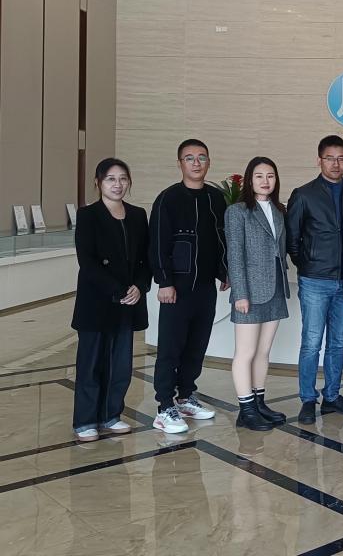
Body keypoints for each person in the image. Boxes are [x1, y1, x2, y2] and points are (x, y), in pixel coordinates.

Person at [149, 139, 228, 434]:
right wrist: (165, 282)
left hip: (205, 287)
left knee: (196, 345)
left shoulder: (216, 198)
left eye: (201, 157)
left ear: (209, 162)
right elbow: (157, 244)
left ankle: (185, 397)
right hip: (176, 288)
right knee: (170, 348)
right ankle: (164, 407)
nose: (196, 163)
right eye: (190, 158)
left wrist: (225, 272)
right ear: (180, 163)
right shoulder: (168, 199)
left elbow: (222, 240)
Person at [71, 158, 151, 442]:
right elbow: (87, 262)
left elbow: (145, 259)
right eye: (110, 179)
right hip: (97, 301)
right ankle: (85, 420)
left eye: (123, 178)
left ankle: (111, 415)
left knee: (120, 364)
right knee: (91, 363)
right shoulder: (88, 215)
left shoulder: (138, 215)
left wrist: (140, 287)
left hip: (128, 302)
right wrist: (117, 290)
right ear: (98, 182)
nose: (118, 184)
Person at [286, 135, 343, 425]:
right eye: (330, 158)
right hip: (315, 280)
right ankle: (308, 398)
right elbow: (292, 239)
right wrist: (307, 264)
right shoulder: (304, 194)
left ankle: (332, 396)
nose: (335, 164)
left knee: (338, 343)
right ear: (319, 160)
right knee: (311, 342)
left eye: (341, 158)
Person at [226, 157, 290, 432]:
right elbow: (235, 254)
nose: (265, 181)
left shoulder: (279, 210)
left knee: (263, 351)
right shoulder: (237, 211)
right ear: (250, 180)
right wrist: (240, 293)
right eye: (259, 176)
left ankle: (259, 402)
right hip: (249, 292)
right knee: (246, 352)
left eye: (270, 176)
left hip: (275, 289)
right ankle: (246, 409)